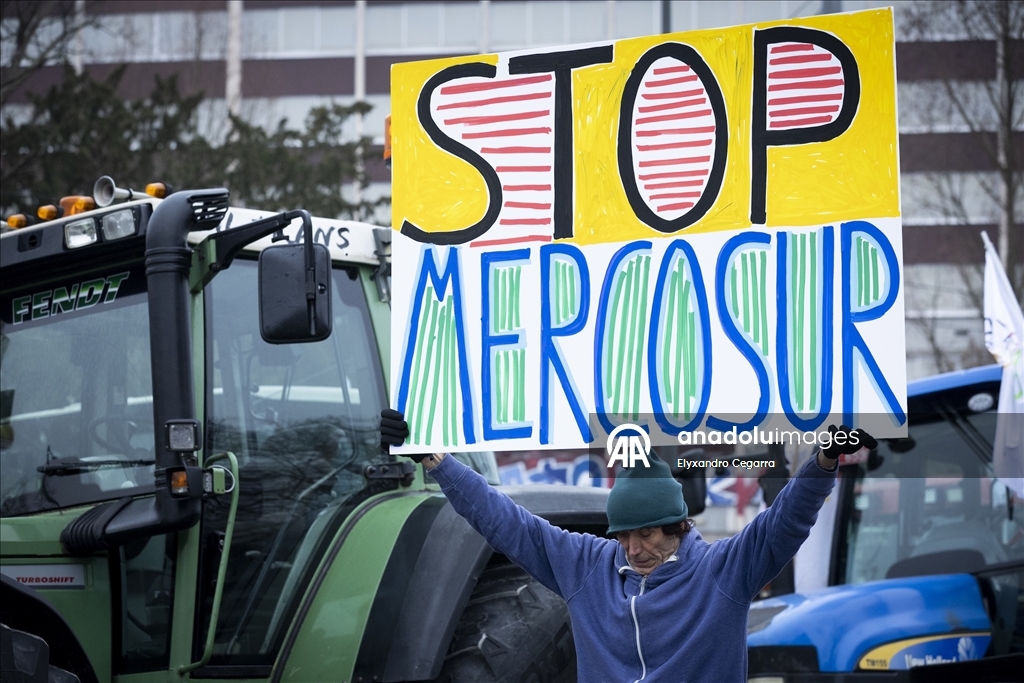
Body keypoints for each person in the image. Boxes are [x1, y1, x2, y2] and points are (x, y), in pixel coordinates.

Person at [380, 410, 876, 682]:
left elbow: (785, 523)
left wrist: (823, 463)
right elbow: (509, 523)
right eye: (622, 535)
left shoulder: (723, 572)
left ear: (678, 526)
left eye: (647, 534)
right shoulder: (589, 568)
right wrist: (438, 461)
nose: (633, 548)